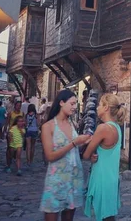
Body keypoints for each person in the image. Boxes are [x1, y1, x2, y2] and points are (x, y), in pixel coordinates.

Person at [40, 90, 91, 221]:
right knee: (51, 213)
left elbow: (74, 150)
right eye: (72, 103)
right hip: (56, 178)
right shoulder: (48, 126)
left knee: (69, 217)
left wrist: (85, 144)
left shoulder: (71, 124)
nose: (75, 107)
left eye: (76, 104)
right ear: (61, 103)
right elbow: (50, 156)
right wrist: (74, 143)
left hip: (74, 176)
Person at [83, 94, 126, 221]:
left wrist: (89, 149)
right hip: (112, 178)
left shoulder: (102, 128)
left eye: (99, 105)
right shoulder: (117, 127)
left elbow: (85, 154)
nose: (97, 108)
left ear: (106, 107)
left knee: (103, 215)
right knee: (108, 215)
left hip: (101, 178)